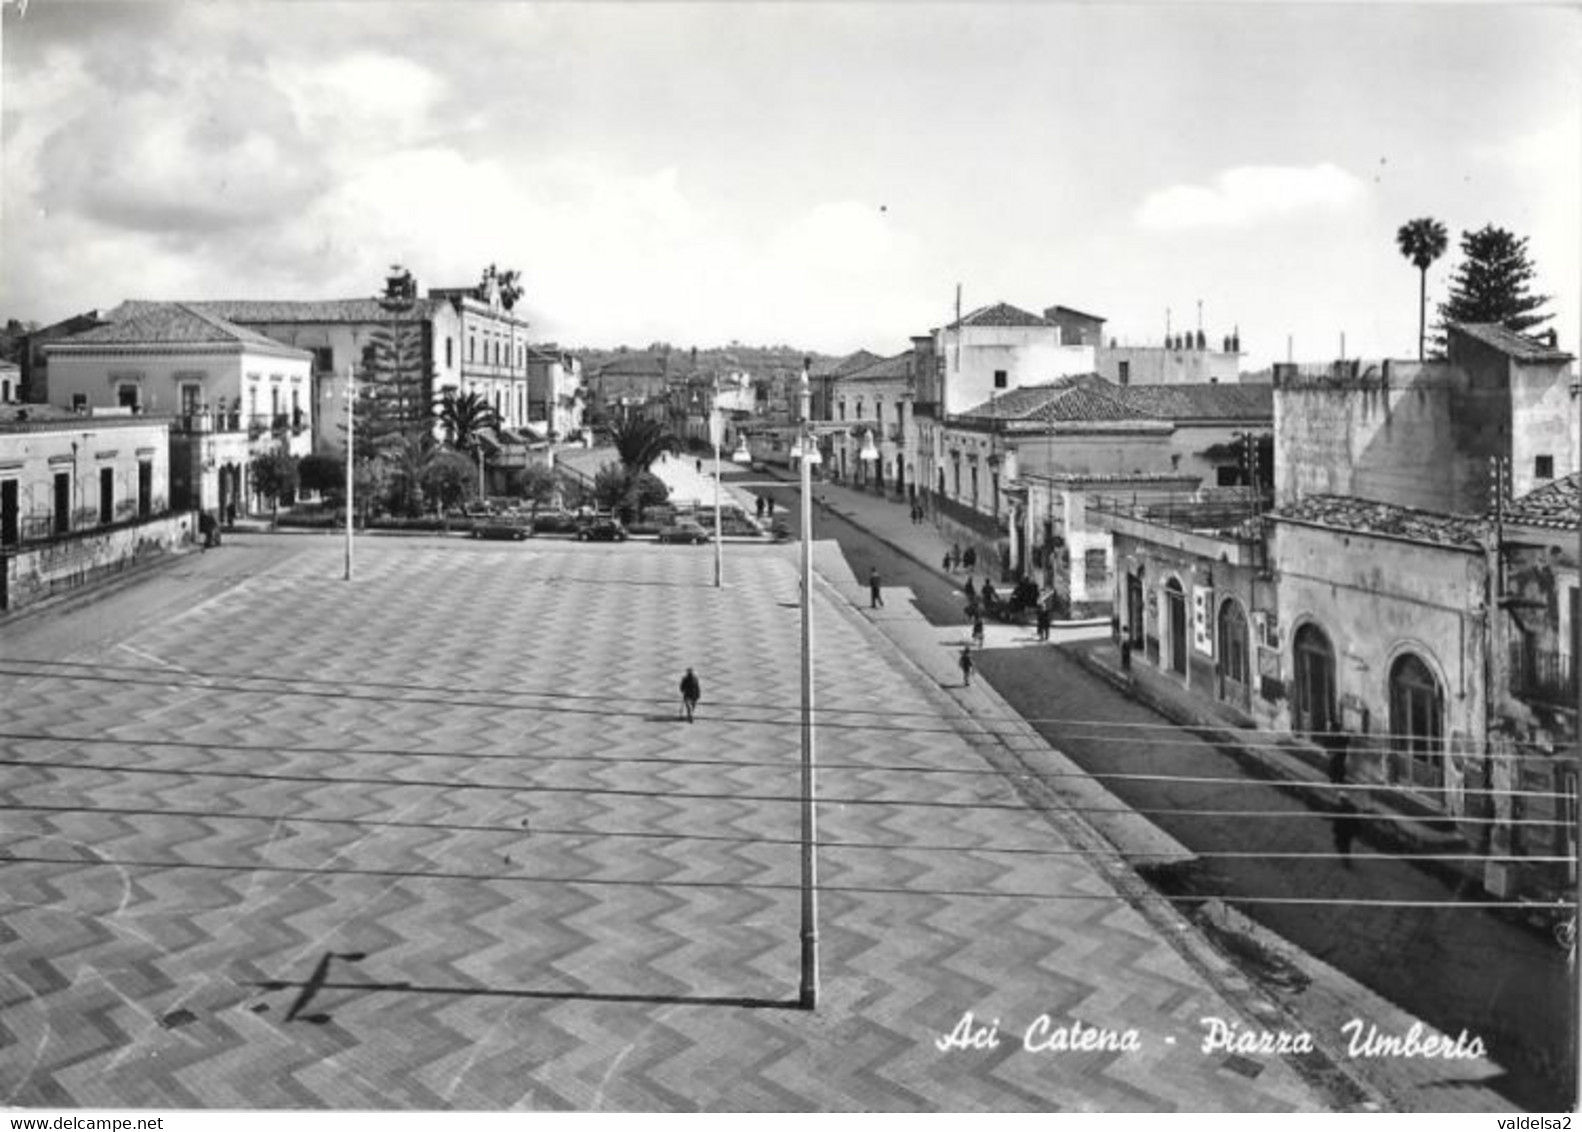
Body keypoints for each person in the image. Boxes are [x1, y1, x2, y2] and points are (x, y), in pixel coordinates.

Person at [1331, 791, 1361, 866]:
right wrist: (1357, 830)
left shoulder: (1339, 807)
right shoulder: (1353, 808)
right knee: (1346, 846)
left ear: (1341, 799)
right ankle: (1346, 861)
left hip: (1342, 831)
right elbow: (1356, 820)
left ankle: (1346, 861)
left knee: (1339, 843)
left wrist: (1335, 828)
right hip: (1349, 832)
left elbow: (1337, 820)